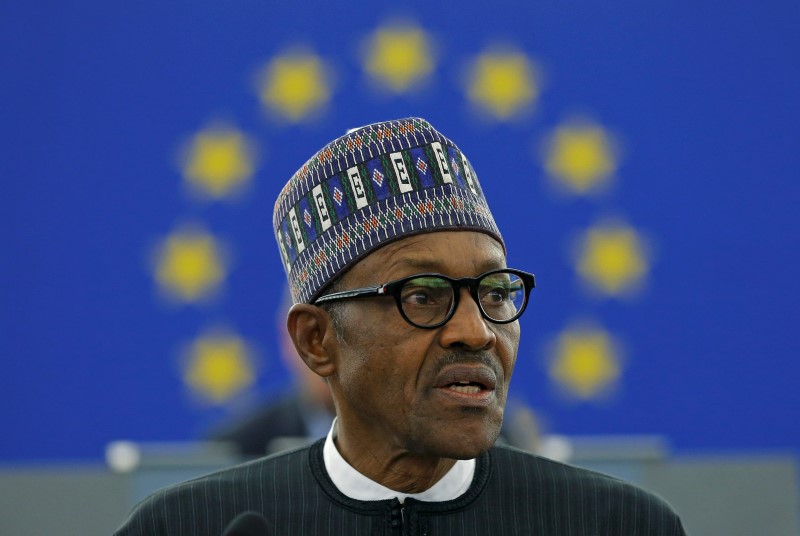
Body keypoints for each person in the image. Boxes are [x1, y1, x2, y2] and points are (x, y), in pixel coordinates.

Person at [114, 118, 686, 535]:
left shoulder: (615, 524)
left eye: (493, 292)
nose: (477, 331)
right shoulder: (188, 527)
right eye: (423, 296)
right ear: (318, 340)